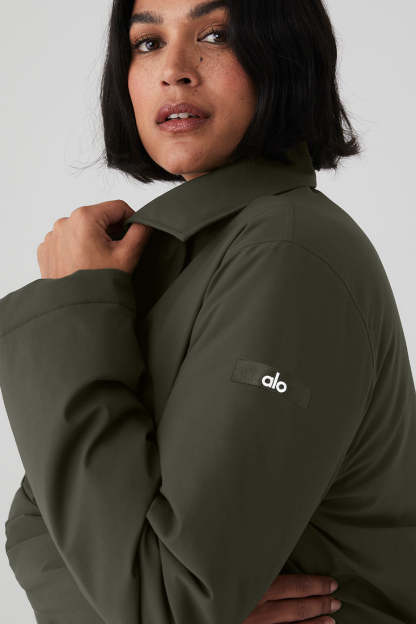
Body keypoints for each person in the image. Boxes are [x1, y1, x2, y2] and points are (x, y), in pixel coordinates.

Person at [1, 1, 414, 623]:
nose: (175, 69)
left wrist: (73, 302)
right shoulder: (180, 258)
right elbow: (35, 531)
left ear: (284, 53)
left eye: (216, 34)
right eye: (147, 42)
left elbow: (170, 600)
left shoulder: (286, 253)